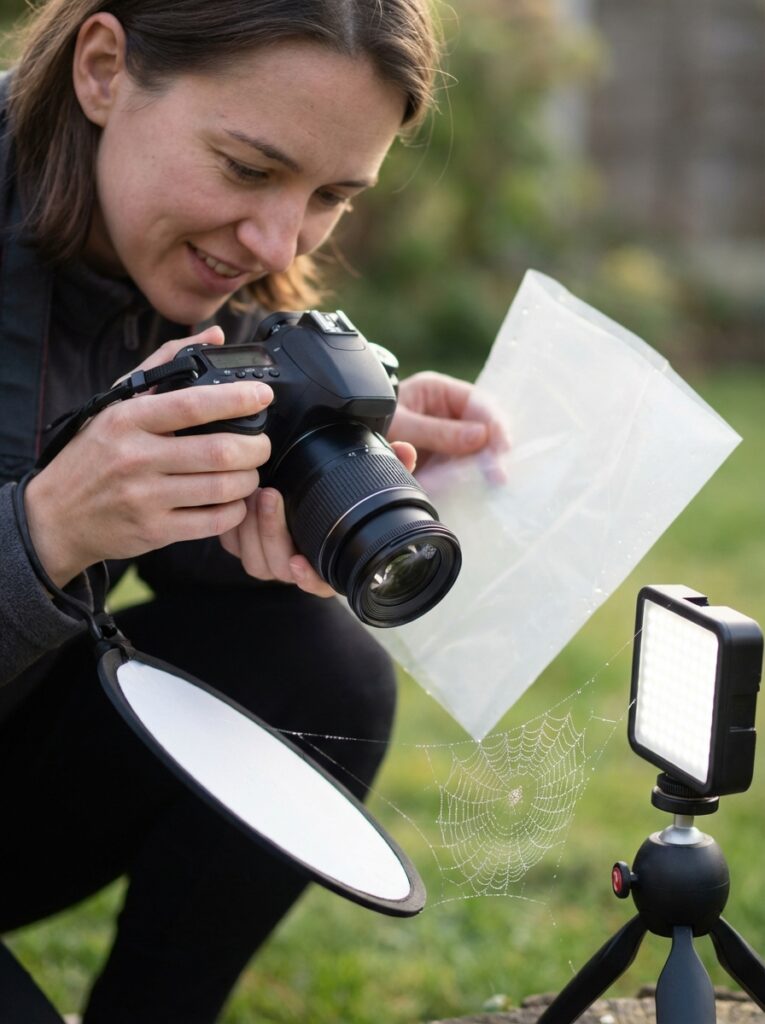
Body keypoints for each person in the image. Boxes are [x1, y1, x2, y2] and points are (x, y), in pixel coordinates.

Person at [0, 1, 493, 1020]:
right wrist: (47, 529)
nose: (277, 238)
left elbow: (192, 577)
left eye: (333, 196)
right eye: (246, 167)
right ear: (103, 70)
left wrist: (303, 476)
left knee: (318, 668)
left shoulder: (168, 271)